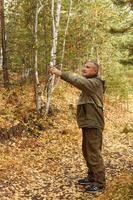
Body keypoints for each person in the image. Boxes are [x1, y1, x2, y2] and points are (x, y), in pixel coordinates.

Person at [49, 61, 106, 193]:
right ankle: (92, 177)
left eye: (88, 67)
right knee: (87, 152)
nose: (84, 69)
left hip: (94, 124)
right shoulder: (90, 83)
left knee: (93, 153)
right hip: (88, 123)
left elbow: (77, 81)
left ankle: (100, 184)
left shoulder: (95, 83)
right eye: (84, 66)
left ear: (95, 70)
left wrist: (60, 73)